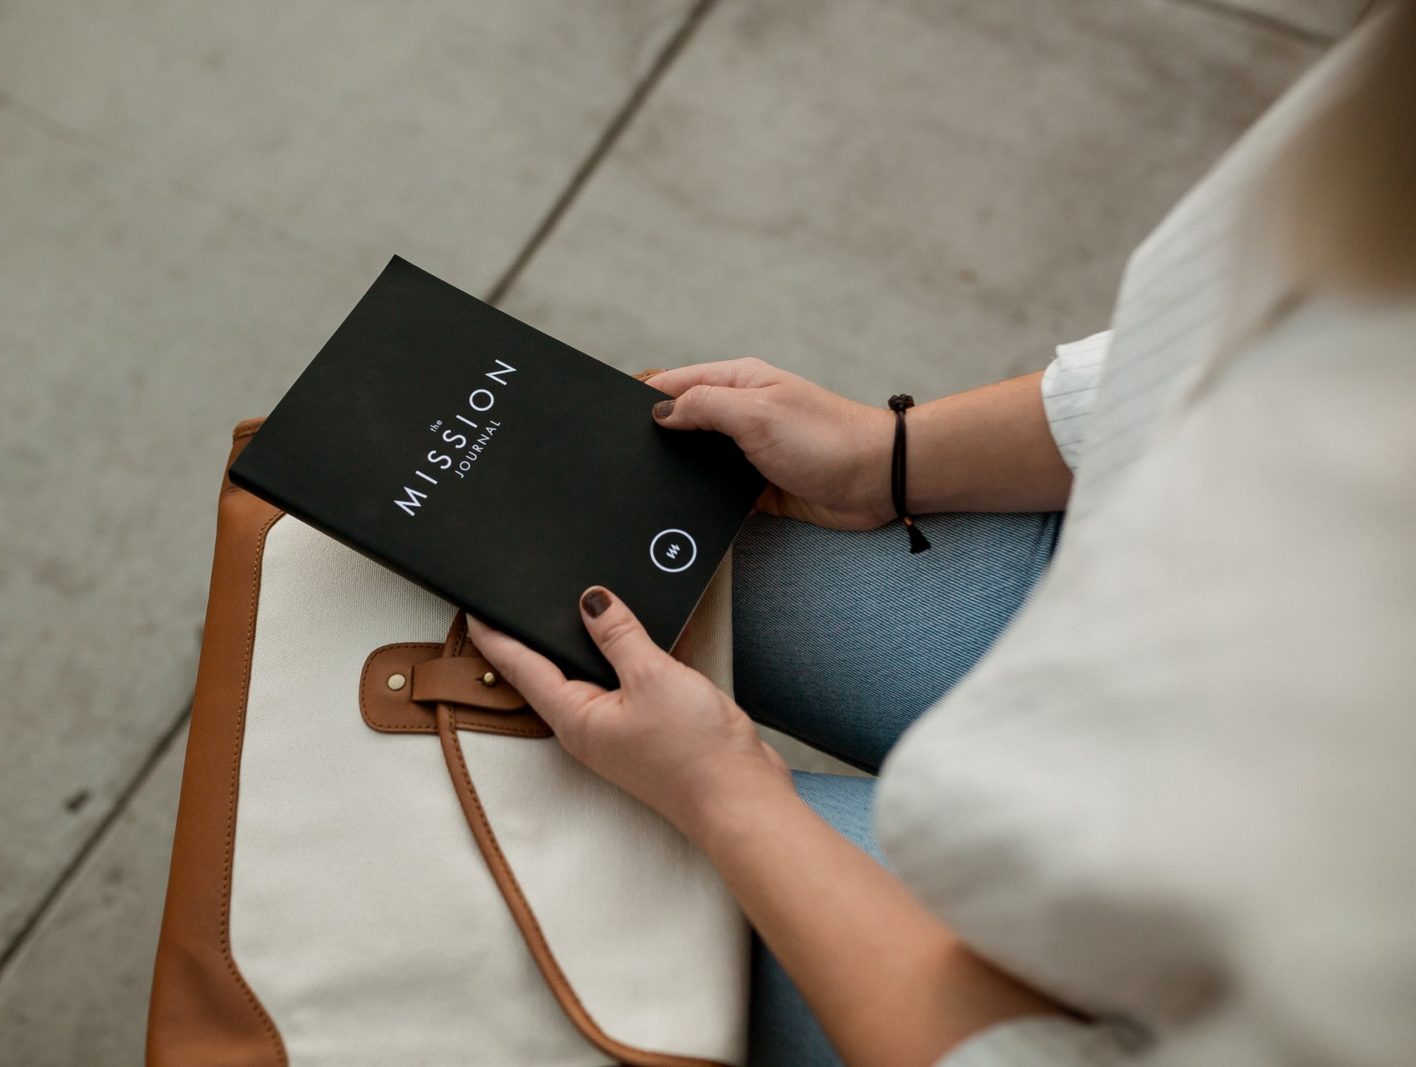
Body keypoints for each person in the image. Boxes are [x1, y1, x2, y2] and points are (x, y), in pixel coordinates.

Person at [468, 4, 1416, 1064]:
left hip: (1108, 988)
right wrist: (888, 457)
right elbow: (1220, 326)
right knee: (515, 542)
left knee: (485, 885)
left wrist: (723, 795)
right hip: (1129, 582)